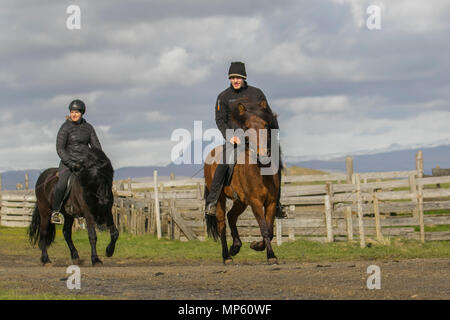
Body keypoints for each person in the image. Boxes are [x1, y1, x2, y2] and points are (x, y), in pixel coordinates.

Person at [205, 62, 286, 218]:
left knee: (276, 162)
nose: (235, 80)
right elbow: (220, 120)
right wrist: (230, 136)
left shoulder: (257, 93)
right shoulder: (223, 97)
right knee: (224, 162)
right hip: (236, 139)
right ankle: (212, 201)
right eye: (232, 78)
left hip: (258, 138)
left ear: (244, 78)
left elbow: (267, 115)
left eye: (238, 78)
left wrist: (271, 135)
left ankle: (277, 204)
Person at [50, 99, 102, 224]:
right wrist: (70, 162)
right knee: (62, 184)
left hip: (85, 164)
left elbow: (96, 147)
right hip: (68, 163)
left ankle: (96, 212)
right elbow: (60, 148)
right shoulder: (65, 127)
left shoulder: (89, 128)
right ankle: (55, 212)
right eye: (72, 112)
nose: (74, 114)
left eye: (77, 112)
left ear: (82, 113)